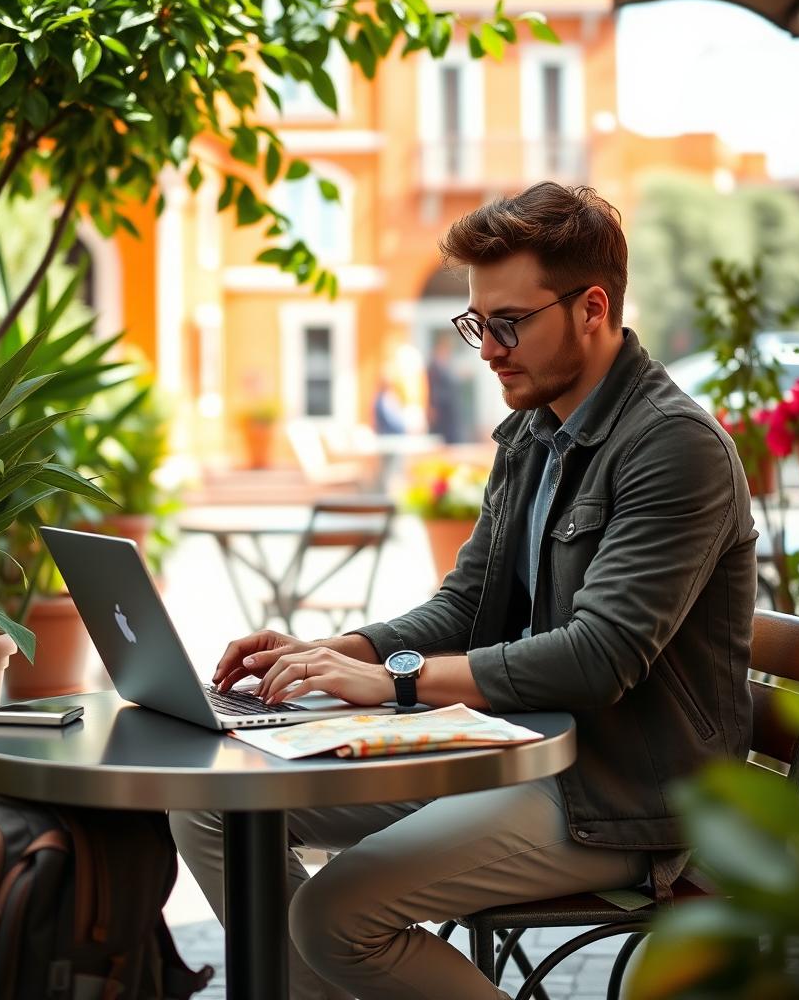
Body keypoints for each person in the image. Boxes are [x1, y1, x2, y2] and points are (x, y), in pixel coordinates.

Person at [170, 183, 757, 1000]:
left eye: (508, 322)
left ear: (593, 308)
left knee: (334, 914)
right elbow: (464, 603)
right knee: (211, 807)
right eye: (477, 322)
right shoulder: (532, 433)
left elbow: (600, 657)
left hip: (621, 795)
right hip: (514, 754)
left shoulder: (672, 448)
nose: (487, 347)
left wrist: (398, 681)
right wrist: (335, 652)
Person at [426, 330, 466, 443]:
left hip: (450, 409)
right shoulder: (433, 366)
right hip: (442, 409)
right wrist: (432, 406)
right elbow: (432, 388)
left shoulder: (447, 364)